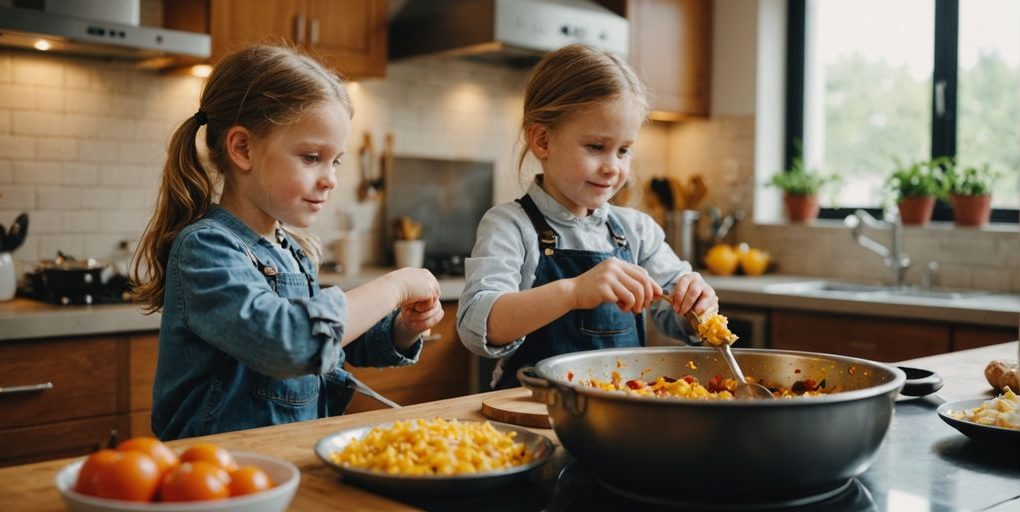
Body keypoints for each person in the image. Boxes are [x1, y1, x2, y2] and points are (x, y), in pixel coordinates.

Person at [132, 44, 444, 440]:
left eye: (336, 161)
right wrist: (394, 285)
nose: (331, 178)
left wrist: (402, 327)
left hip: (285, 458)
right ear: (243, 148)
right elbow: (290, 342)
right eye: (312, 157)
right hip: (218, 476)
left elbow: (334, 343)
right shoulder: (205, 248)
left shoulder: (291, 251)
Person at [457, 44, 718, 389]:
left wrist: (697, 307)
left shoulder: (637, 231)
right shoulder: (510, 226)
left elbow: (676, 316)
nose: (613, 167)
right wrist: (573, 291)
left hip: (620, 415)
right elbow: (480, 324)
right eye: (596, 147)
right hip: (531, 410)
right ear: (543, 140)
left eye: (624, 150)